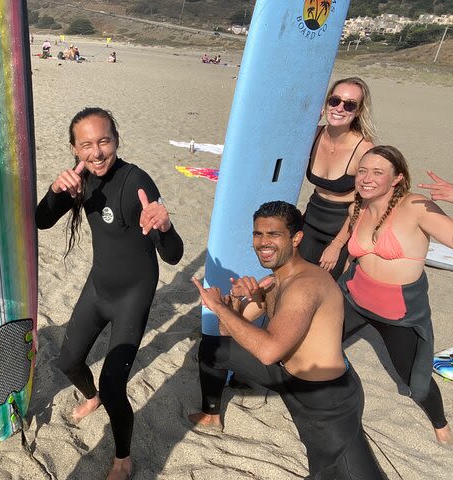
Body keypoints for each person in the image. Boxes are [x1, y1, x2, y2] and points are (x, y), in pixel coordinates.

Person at [35, 108, 184, 480]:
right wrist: (55, 190)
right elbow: (42, 220)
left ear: (116, 140)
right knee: (68, 360)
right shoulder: (79, 180)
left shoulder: (137, 181)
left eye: (104, 141)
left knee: (113, 384)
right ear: (74, 148)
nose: (97, 152)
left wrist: (164, 227)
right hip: (100, 284)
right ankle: (91, 398)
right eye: (86, 144)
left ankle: (122, 456)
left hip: (135, 290)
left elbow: (173, 255)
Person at [189, 201, 386, 479]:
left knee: (334, 471)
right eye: (258, 234)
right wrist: (234, 302)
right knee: (214, 348)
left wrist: (218, 307)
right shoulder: (275, 280)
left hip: (326, 399)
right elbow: (228, 331)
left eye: (274, 234)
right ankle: (211, 413)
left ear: (296, 238)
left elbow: (268, 351)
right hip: (286, 375)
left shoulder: (305, 285)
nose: (263, 242)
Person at [338, 145, 453, 444]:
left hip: (398, 315)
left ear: (397, 178)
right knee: (317, 343)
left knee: (416, 379)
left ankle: (440, 424)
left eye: (378, 172)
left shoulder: (416, 207)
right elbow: (354, 254)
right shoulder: (357, 208)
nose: (367, 178)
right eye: (362, 171)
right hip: (354, 300)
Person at [298, 77, 376, 279]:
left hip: (342, 228)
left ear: (358, 111)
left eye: (349, 105)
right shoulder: (313, 134)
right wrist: (307, 122)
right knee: (296, 283)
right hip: (311, 220)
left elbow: (365, 203)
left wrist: (337, 244)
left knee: (326, 288)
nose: (339, 108)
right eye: (335, 100)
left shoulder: (364, 149)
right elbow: (278, 146)